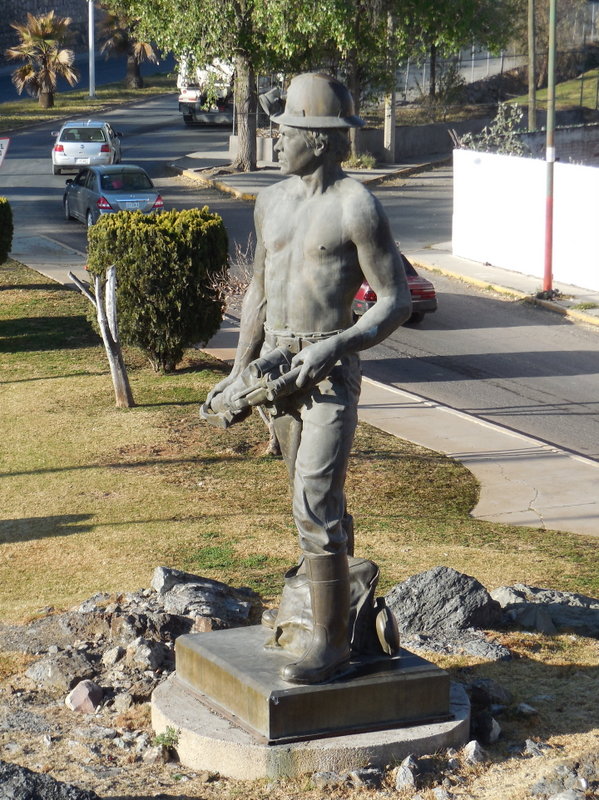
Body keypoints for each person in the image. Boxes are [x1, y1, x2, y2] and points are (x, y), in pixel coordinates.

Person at [204, 72, 412, 684]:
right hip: (276, 370)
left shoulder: (358, 206)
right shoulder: (271, 201)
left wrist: (339, 345)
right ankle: (346, 609)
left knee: (314, 500)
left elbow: (394, 301)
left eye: (287, 129)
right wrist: (239, 371)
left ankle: (330, 647)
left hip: (328, 371)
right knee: (312, 500)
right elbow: (259, 293)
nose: (277, 139)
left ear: (318, 140)